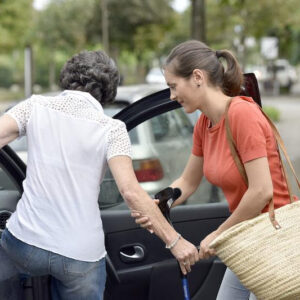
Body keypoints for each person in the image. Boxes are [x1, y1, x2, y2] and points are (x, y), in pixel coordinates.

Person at [0, 50, 199, 300]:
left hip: (24, 244)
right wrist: (174, 241)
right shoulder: (112, 130)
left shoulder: (34, 106)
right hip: (79, 255)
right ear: (108, 91)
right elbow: (130, 192)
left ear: (67, 77)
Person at [133, 40, 291, 300]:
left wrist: (219, 234)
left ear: (197, 77)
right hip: (244, 239)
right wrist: (160, 204)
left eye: (173, 86)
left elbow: (262, 191)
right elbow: (188, 181)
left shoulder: (242, 114)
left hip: (274, 239)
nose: (172, 95)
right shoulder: (204, 124)